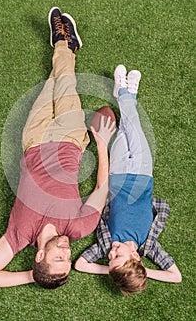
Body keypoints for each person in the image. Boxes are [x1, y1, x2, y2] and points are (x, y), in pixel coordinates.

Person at [0, 7, 116, 289]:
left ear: (40, 255)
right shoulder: (79, 227)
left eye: (58, 258)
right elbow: (101, 188)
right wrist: (101, 143)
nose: (67, 253)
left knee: (52, 82)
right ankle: (61, 41)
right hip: (69, 138)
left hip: (34, 139)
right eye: (68, 259)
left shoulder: (19, 235)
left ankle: (69, 45)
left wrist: (34, 276)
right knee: (65, 80)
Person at [75, 65, 182, 295]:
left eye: (110, 259)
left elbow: (80, 264)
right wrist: (141, 269)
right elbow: (176, 276)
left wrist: (114, 270)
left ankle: (126, 94)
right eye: (117, 256)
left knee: (125, 130)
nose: (111, 253)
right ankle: (125, 94)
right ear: (135, 256)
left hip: (119, 172)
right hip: (144, 171)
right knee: (134, 128)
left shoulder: (107, 241)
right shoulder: (149, 244)